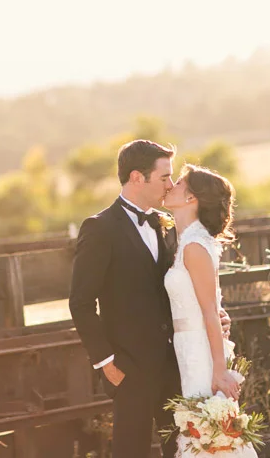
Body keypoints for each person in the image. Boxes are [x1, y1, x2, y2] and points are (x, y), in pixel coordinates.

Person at [69, 140, 231, 458]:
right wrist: (107, 363)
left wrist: (215, 314)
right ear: (136, 178)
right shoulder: (100, 228)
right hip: (130, 369)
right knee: (132, 452)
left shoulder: (166, 224)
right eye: (164, 177)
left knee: (185, 449)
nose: (170, 184)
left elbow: (182, 287)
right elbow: (81, 302)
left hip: (177, 365)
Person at [162, 164, 257, 457]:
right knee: (204, 435)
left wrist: (219, 371)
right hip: (188, 347)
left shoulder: (194, 246)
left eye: (177, 182)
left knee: (210, 436)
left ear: (192, 198)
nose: (170, 186)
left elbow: (209, 313)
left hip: (201, 352)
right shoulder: (186, 240)